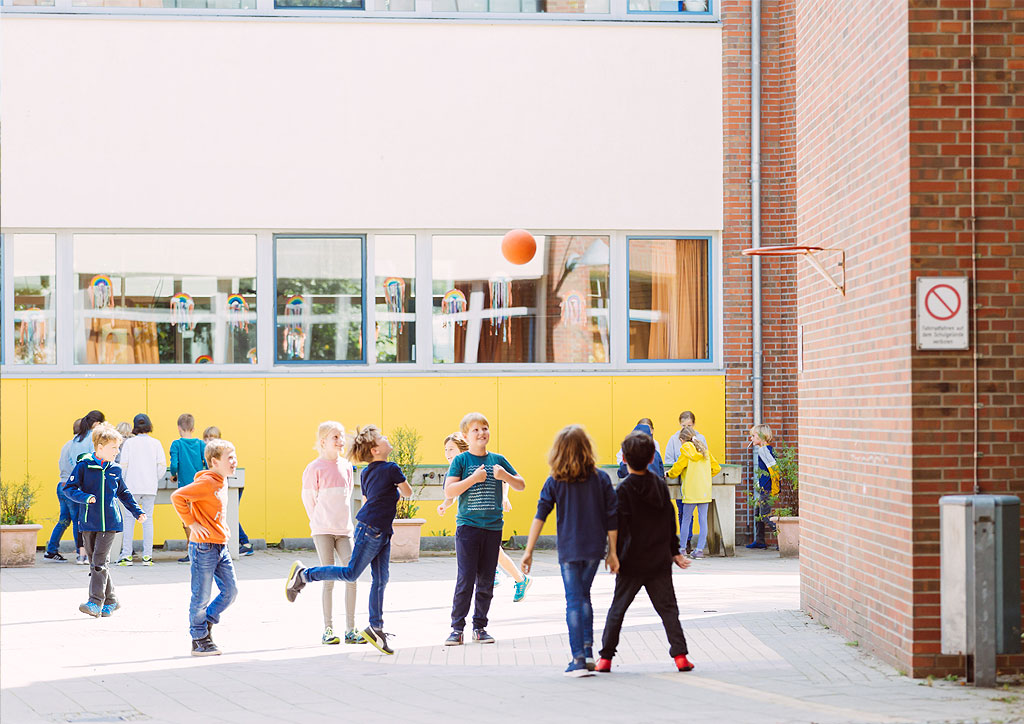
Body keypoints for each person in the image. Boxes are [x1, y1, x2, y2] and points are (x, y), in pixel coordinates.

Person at [285, 425, 413, 656]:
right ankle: (304, 576)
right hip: (366, 529)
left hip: (372, 530)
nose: (387, 438)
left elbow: (365, 499)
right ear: (375, 450)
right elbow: (408, 492)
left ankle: (374, 628)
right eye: (383, 438)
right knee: (351, 573)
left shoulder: (358, 470)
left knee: (380, 578)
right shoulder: (391, 468)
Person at [520, 425, 618, 678]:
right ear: (587, 449)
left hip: (570, 549)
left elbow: (540, 515)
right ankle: (587, 652)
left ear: (558, 451)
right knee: (584, 597)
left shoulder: (555, 480)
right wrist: (613, 553)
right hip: (595, 549)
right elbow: (612, 518)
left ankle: (578, 658)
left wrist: (528, 551)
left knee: (574, 600)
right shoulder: (601, 479)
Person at [595, 429, 694, 674]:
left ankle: (605, 658)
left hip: (631, 561)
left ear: (624, 459)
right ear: (652, 459)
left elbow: (617, 525)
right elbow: (670, 521)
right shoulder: (660, 486)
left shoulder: (623, 490)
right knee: (668, 609)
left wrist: (613, 554)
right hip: (659, 561)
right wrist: (675, 551)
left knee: (618, 609)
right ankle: (680, 656)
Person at [442, 412, 525, 646]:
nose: (481, 433)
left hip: (493, 528)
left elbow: (521, 484)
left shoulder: (498, 459)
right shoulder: (461, 461)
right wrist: (473, 479)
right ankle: (457, 628)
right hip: (468, 528)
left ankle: (480, 627)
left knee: (486, 580)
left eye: (485, 428)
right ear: (466, 436)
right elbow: (449, 491)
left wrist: (504, 475)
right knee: (465, 579)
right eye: (476, 430)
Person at [62, 423, 146, 618]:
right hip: (88, 522)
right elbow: (69, 489)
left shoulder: (115, 469)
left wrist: (137, 511)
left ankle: (95, 602)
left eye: (118, 447)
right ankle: (112, 600)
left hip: (109, 523)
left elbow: (123, 492)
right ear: (100, 448)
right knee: (95, 563)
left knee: (99, 562)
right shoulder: (83, 466)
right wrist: (85, 498)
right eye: (113, 448)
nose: (117, 452)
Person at [437, 432, 532, 603]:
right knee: (494, 554)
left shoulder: (479, 465)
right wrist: (444, 505)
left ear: (463, 449)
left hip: (488, 520)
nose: (447, 453)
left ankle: (515, 578)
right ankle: (515, 578)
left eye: (451, 449)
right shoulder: (451, 473)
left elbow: (502, 479)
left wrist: (504, 497)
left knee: (496, 554)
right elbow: (450, 496)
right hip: (470, 522)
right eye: (445, 450)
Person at [170, 438, 240, 657]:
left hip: (221, 545)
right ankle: (199, 639)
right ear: (214, 461)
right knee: (201, 596)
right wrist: (192, 523)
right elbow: (177, 496)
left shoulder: (222, 480)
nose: (234, 461)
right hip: (203, 548)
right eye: (229, 457)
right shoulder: (208, 482)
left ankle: (205, 623)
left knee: (231, 591)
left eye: (234, 455)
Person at [301, 421, 364, 646]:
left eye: (341, 437)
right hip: (323, 530)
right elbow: (309, 499)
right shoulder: (314, 468)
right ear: (322, 442)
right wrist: (319, 521)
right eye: (334, 437)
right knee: (328, 579)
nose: (340, 441)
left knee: (352, 575)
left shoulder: (347, 466)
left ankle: (351, 629)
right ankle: (328, 629)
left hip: (344, 530)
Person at [116, 414, 166, 567]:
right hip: (150, 487)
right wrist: (153, 478)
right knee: (148, 520)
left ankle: (126, 556)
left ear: (134, 426)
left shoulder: (129, 444)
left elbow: (123, 466)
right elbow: (162, 466)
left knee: (129, 520)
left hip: (131, 487)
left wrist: (122, 482)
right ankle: (147, 556)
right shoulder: (156, 443)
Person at [59, 410, 107, 564]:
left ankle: (81, 555)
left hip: (78, 483)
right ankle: (91, 554)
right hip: (91, 483)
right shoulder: (94, 437)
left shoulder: (76, 439)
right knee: (92, 520)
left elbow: (73, 462)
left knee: (80, 520)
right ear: (97, 423)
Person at [666, 427, 721, 559]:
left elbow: (677, 468)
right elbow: (716, 468)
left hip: (691, 490)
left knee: (686, 520)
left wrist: (668, 474)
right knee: (703, 521)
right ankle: (700, 550)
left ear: (682, 439)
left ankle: (683, 549)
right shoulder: (704, 451)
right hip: (704, 491)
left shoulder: (685, 449)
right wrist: (706, 477)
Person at [204, 426, 252, 556]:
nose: (208, 441)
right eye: (206, 438)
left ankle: (245, 543)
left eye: (212, 438)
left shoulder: (223, 452)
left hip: (231, 485)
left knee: (229, 513)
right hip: (223, 486)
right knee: (226, 513)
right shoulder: (209, 455)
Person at [664, 411, 708, 552]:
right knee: (697, 517)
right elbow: (712, 464)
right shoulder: (674, 439)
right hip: (702, 488)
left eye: (689, 425)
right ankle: (697, 548)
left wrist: (669, 474)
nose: (686, 427)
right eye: (683, 425)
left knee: (686, 516)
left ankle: (683, 546)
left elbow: (676, 467)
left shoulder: (689, 447)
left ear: (694, 424)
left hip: (688, 485)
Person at [44, 418, 83, 562]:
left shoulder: (67, 445)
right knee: (77, 520)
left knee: (64, 519)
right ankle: (81, 552)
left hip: (61, 485)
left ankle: (51, 550)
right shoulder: (77, 447)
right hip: (72, 487)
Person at [170, 413, 206, 563]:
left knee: (187, 519)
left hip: (185, 487)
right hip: (199, 486)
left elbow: (174, 465)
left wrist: (173, 475)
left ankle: (191, 550)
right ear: (193, 428)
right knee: (200, 517)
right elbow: (208, 463)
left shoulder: (176, 444)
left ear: (179, 428)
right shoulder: (201, 444)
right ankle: (202, 549)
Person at [746, 423, 780, 550]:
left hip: (767, 489)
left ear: (761, 436)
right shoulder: (766, 449)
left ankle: (785, 538)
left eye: (753, 436)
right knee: (757, 513)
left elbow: (774, 469)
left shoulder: (763, 450)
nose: (751, 438)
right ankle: (760, 540)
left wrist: (772, 488)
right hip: (764, 488)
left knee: (765, 516)